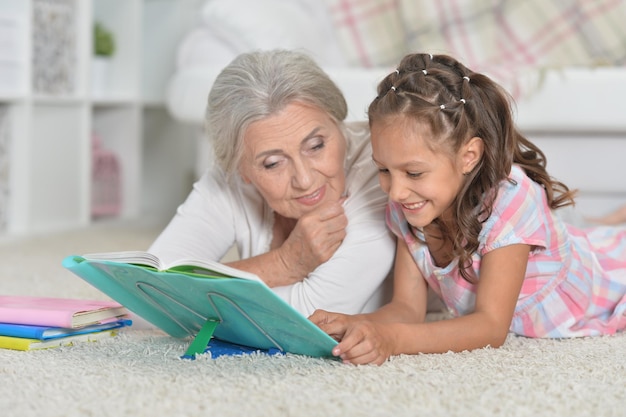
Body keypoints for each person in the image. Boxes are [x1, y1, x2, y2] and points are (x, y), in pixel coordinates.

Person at [310, 52, 626, 365]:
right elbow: (407, 310)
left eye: (414, 173)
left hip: (603, 286)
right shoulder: (407, 208)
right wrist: (358, 324)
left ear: (469, 156)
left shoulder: (510, 199)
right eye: (384, 170)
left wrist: (393, 340)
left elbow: (490, 326)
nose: (396, 191)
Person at [148, 49, 395, 317]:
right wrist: (283, 264)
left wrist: (191, 293)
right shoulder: (230, 174)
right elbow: (148, 294)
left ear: (338, 122)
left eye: (316, 145)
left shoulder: (382, 164)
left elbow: (316, 315)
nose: (304, 179)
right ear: (241, 169)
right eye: (273, 163)